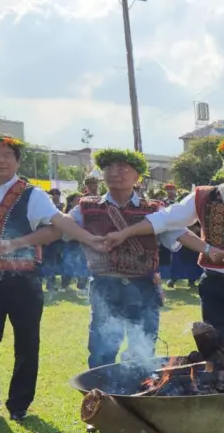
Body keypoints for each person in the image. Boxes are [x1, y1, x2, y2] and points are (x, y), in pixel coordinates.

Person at [0, 136, 106, 422]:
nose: (0, 160)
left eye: (7, 155)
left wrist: (89, 239)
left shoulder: (32, 194)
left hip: (24, 278)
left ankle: (19, 404)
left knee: (27, 343)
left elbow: (56, 226)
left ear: (17, 161)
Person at [111, 136, 224, 357]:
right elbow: (166, 220)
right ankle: (216, 386)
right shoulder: (204, 195)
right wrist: (126, 233)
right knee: (214, 344)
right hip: (214, 283)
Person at [68, 148, 172, 375]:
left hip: (143, 286)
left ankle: (137, 401)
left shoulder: (154, 209)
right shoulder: (85, 207)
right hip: (105, 286)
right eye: (109, 168)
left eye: (123, 168)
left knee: (142, 351)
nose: (115, 173)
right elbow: (62, 226)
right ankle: (101, 401)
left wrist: (208, 250)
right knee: (101, 351)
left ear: (137, 176)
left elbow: (178, 236)